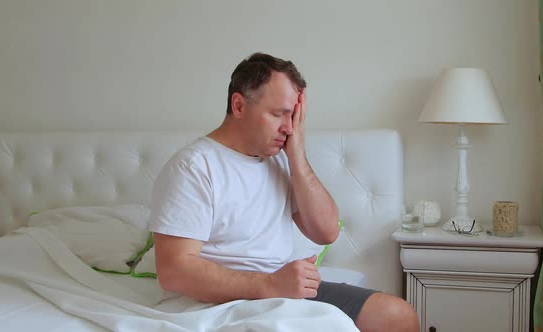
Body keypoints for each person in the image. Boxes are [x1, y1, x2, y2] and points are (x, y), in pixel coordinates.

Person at [149, 52, 419, 332]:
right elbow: (174, 272)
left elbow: (326, 232)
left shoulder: (279, 159)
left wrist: (297, 156)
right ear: (239, 106)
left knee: (398, 316)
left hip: (281, 289)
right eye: (278, 114)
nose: (288, 128)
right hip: (217, 302)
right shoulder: (194, 166)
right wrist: (267, 284)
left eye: (294, 116)